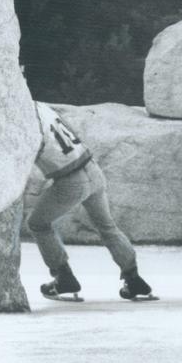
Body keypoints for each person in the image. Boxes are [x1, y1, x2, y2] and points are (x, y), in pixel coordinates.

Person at [27, 101, 153, 302]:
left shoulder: (23, 117)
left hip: (70, 180)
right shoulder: (41, 107)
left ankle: (63, 277)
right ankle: (134, 278)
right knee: (107, 226)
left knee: (38, 224)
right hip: (92, 169)